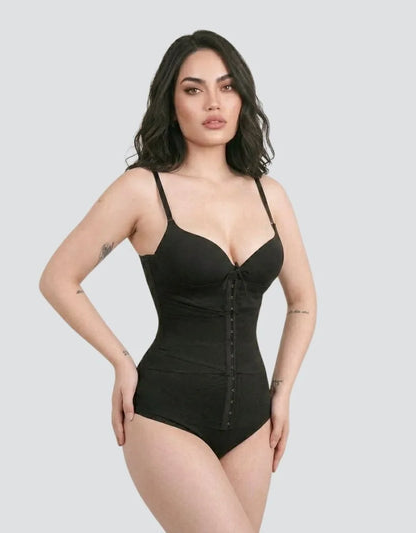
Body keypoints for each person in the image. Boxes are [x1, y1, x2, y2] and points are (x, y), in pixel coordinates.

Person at [39, 29, 317, 533]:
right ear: (171, 103)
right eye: (193, 89)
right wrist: (121, 361)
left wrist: (282, 391)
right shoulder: (143, 189)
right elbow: (59, 278)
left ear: (243, 98)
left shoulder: (269, 194)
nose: (213, 102)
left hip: (253, 420)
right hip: (167, 413)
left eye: (227, 87)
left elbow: (301, 301)